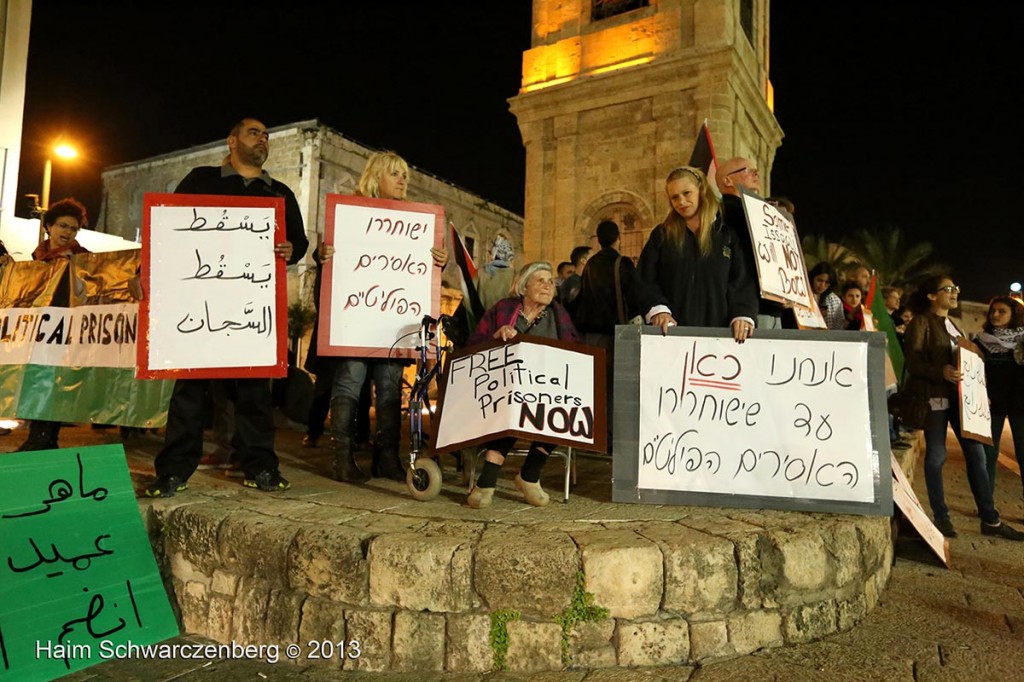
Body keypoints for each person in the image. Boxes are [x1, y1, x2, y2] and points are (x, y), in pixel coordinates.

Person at [145, 118, 309, 497]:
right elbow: (166, 227)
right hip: (199, 306)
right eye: (254, 132)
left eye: (267, 134)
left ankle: (260, 467)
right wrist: (145, 273)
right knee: (189, 390)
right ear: (232, 141)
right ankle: (173, 471)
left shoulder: (280, 193)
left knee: (255, 392)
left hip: (252, 309)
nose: (263, 139)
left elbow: (297, 241)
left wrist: (291, 250)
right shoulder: (201, 179)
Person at [318, 150, 447, 483]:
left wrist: (437, 261)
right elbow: (333, 261)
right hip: (356, 322)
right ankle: (342, 459)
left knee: (390, 391)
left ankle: (387, 457)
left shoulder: (414, 225)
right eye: (395, 174)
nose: (403, 180)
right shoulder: (350, 216)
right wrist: (325, 255)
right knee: (348, 385)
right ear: (376, 178)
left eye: (405, 174)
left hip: (390, 325)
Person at [903, 275, 1024, 540]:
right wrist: (941, 371)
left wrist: (978, 389)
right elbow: (913, 363)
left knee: (978, 456)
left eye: (955, 288)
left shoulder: (954, 324)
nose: (954, 292)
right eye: (948, 289)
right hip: (935, 400)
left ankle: (990, 519)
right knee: (936, 457)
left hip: (962, 403)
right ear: (931, 296)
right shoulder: (920, 323)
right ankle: (941, 517)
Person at [466, 261, 582, 508]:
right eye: (540, 280)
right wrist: (495, 337)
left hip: (546, 389)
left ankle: (530, 474)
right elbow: (473, 345)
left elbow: (575, 351)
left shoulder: (559, 315)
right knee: (512, 404)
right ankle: (487, 479)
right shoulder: (503, 309)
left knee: (563, 408)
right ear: (523, 285)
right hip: (503, 387)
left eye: (551, 281)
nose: (548, 285)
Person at [639, 166, 757, 342]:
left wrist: (742, 315)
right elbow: (644, 279)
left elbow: (741, 281)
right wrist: (658, 310)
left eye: (687, 193)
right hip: (671, 340)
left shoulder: (727, 235)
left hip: (721, 340)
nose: (682, 202)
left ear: (701, 190)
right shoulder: (662, 235)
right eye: (674, 197)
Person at [14, 198, 90, 451]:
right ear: (49, 226)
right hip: (38, 329)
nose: (68, 232)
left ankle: (45, 437)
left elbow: (90, 291)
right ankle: (39, 436)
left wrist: (73, 268)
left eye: (73, 229)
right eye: (63, 226)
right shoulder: (38, 256)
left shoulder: (83, 259)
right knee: (37, 380)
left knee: (55, 381)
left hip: (66, 330)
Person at [572, 220, 652, 448]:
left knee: (597, 387)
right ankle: (613, 438)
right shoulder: (622, 262)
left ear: (597, 239)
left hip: (590, 334)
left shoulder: (590, 265)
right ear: (619, 238)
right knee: (618, 387)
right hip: (616, 333)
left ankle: (597, 436)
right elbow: (634, 296)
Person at [717, 157, 788, 331]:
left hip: (770, 308)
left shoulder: (757, 212)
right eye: (747, 170)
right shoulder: (728, 215)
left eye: (755, 169)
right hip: (750, 313)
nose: (756, 173)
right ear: (727, 180)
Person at [974, 297, 1024, 494]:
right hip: (990, 403)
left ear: (1014, 315)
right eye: (993, 311)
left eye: (1001, 311)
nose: (995, 315)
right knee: (987, 454)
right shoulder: (980, 340)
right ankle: (987, 504)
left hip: (1021, 404)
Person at [475, 233, 516, 310]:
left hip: (482, 319)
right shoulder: (514, 277)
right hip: (505, 320)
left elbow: (468, 301)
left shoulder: (481, 273)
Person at [808, 262, 845, 330]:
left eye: (826, 282)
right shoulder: (804, 294)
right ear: (813, 278)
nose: (822, 285)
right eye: (820, 280)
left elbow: (838, 328)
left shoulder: (835, 301)